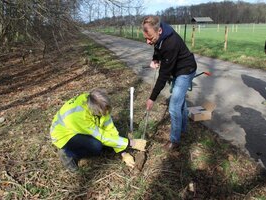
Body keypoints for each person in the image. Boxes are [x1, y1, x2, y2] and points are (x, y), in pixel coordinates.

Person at [50, 88, 146, 172]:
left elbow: (109, 128)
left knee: (100, 143)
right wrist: (131, 143)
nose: (106, 113)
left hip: (78, 129)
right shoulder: (79, 117)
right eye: (102, 113)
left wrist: (123, 152)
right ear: (94, 111)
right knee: (96, 146)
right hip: (63, 135)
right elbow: (102, 136)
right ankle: (68, 154)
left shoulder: (96, 101)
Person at [142, 16, 197, 150]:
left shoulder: (170, 43)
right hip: (177, 70)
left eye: (150, 38)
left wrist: (152, 98)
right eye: (146, 38)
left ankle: (174, 141)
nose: (148, 42)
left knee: (173, 106)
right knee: (180, 103)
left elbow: (163, 75)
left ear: (159, 31)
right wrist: (155, 59)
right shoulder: (159, 35)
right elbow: (157, 48)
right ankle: (183, 129)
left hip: (185, 70)